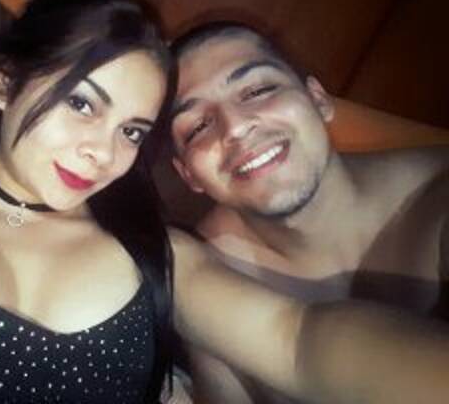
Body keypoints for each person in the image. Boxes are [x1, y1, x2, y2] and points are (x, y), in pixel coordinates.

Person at [0, 0, 449, 404]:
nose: (103, 151)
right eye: (82, 102)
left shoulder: (156, 253)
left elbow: (298, 339)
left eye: (132, 131)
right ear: (6, 82)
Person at [169, 21, 449, 403]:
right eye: (198, 126)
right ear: (188, 175)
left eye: (258, 90)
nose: (235, 128)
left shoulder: (438, 197)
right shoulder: (200, 272)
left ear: (318, 100)